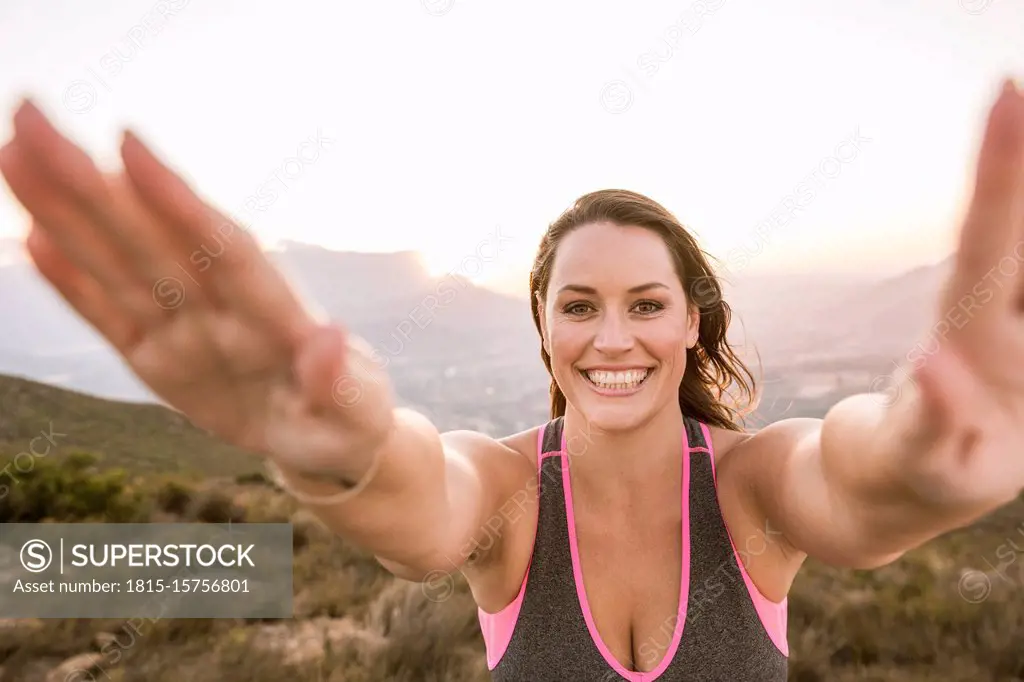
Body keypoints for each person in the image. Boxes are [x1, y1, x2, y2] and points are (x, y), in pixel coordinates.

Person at [1, 78, 1022, 682]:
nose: (610, 336)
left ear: (694, 321)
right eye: (577, 305)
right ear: (541, 326)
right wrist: (341, 451)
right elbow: (419, 499)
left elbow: (853, 475)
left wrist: (923, 467)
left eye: (646, 303)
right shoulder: (502, 491)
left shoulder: (754, 487)